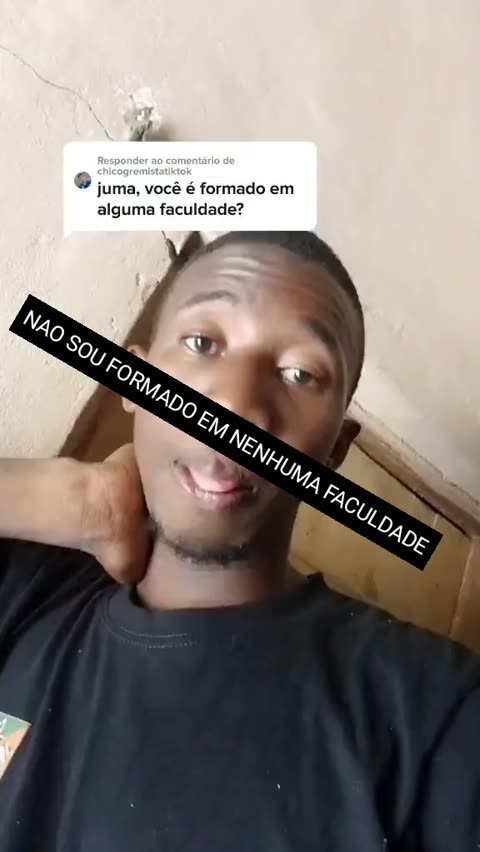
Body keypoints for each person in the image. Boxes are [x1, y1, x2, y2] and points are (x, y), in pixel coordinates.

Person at [0, 231, 479, 851]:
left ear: (333, 451)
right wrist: (77, 499)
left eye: (300, 373)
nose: (236, 404)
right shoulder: (32, 591)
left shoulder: (430, 710)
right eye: (203, 344)